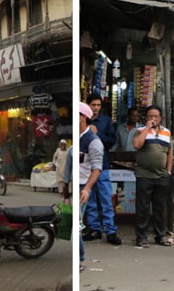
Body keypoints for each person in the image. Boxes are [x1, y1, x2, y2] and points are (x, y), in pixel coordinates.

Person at [131, 105, 173, 248]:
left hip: (161, 176)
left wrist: (168, 171)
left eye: (156, 116)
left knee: (160, 207)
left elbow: (169, 152)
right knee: (142, 207)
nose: (153, 119)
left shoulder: (166, 132)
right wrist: (147, 129)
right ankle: (141, 237)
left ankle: (160, 235)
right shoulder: (140, 131)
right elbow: (137, 145)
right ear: (146, 118)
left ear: (160, 118)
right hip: (144, 175)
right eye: (150, 116)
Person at [83, 93, 121, 245]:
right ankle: (94, 229)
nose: (96, 108)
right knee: (90, 200)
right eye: (93, 105)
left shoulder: (105, 121)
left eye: (99, 105)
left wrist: (97, 134)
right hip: (86, 167)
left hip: (102, 166)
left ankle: (110, 231)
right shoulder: (82, 120)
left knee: (106, 199)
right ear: (88, 106)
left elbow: (111, 141)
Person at [79, 102, 103, 272]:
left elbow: (96, 168)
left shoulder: (93, 142)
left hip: (82, 188)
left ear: (83, 118)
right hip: (72, 187)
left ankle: (80, 260)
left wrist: (87, 188)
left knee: (77, 224)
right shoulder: (75, 137)